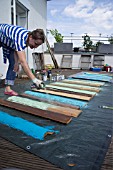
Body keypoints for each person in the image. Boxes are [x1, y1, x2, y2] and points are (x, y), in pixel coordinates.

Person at [0, 23, 45, 96]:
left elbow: (15, 49)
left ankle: (7, 89)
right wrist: (34, 80)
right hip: (1, 34)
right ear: (31, 37)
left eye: (38, 45)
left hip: (7, 42)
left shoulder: (26, 39)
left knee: (14, 64)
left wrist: (16, 63)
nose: (35, 47)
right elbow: (23, 62)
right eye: (36, 44)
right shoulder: (20, 38)